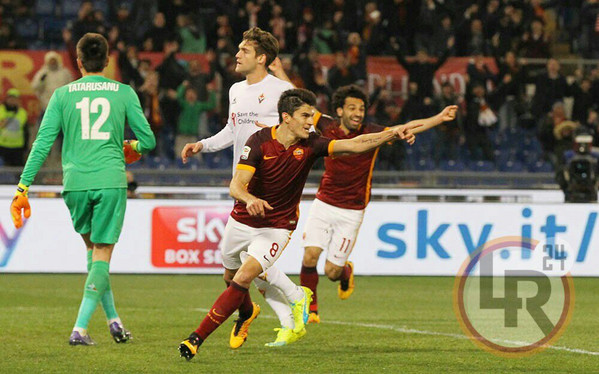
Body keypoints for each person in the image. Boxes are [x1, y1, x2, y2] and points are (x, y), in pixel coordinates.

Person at [178, 88, 420, 361]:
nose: (310, 121)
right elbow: (237, 185)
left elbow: (355, 144)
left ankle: (195, 339)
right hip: (243, 219)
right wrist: (249, 199)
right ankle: (247, 312)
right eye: (305, 115)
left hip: (278, 226)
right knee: (230, 277)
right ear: (286, 117)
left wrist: (391, 133)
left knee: (244, 277)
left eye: (311, 115)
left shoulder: (313, 144)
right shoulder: (258, 141)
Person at [9, 33, 156, 346]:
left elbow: (42, 143)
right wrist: (131, 146)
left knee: (93, 253)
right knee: (103, 253)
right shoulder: (124, 92)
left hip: (74, 184)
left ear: (77, 62)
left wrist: (23, 186)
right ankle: (80, 328)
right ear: (107, 61)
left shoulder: (62, 95)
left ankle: (114, 321)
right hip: (109, 180)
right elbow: (149, 141)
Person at [181, 27, 311, 348]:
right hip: (244, 188)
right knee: (233, 274)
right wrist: (203, 145)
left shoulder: (282, 89)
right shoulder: (236, 90)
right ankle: (256, 311)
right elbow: (230, 129)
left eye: (244, 50)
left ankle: (292, 303)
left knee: (250, 268)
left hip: (273, 189)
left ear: (261, 58)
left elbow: (306, 122)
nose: (237, 54)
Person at [299, 85, 458, 323]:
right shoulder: (326, 125)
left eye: (362, 108)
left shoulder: (373, 132)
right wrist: (278, 71)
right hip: (323, 203)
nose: (358, 113)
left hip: (352, 211)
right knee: (310, 256)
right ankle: (310, 309)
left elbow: (406, 127)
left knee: (332, 272)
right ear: (340, 110)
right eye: (352, 108)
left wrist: (439, 117)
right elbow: (299, 100)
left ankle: (345, 273)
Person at [0, 88, 28, 166]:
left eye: (15, 98)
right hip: (2, 146)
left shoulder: (22, 113)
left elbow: (26, 132)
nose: (12, 100)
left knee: (17, 172)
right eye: (11, 98)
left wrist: (25, 147)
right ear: (7, 99)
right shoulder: (0, 110)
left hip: (17, 148)